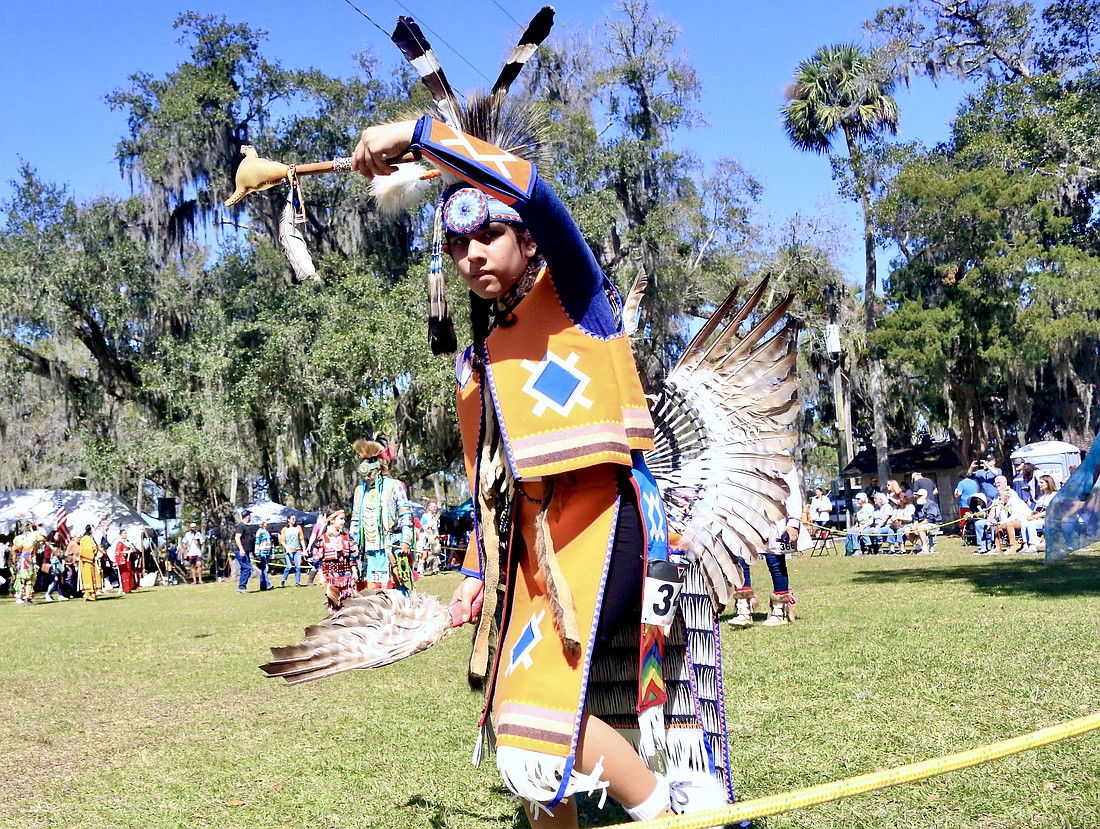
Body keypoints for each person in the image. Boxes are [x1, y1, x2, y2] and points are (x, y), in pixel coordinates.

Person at [352, 116, 727, 826]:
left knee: (543, 711)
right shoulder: (476, 365)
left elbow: (535, 192)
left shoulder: (580, 300)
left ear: (527, 240)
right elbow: (486, 488)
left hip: (606, 521)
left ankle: (669, 814)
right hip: (530, 550)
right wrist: (472, 573)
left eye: (487, 235)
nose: (470, 256)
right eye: (455, 245)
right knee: (511, 719)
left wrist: (418, 134)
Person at [729, 468, 809, 626]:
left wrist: (793, 522)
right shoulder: (741, 455)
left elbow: (791, 491)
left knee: (775, 561)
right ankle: (744, 607)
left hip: (774, 517)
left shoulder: (779, 457)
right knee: (741, 558)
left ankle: (780, 609)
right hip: (746, 515)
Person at [349, 439, 414, 591]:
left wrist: (406, 541)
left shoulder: (394, 485)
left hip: (391, 544)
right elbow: (355, 521)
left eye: (370, 473)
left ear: (377, 469)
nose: (367, 478)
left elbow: (406, 515)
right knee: (371, 587)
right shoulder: (359, 491)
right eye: (364, 474)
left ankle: (399, 611)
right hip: (369, 549)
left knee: (394, 584)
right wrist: (353, 545)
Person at [317, 509, 356, 616]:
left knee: (349, 605)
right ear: (332, 520)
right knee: (333, 606)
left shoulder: (346, 538)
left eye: (344, 519)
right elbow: (319, 559)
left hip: (346, 577)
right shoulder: (323, 539)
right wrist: (321, 576)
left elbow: (352, 557)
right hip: (331, 578)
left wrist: (354, 571)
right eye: (341, 519)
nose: (343, 522)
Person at [1021, 474, 1058, 553]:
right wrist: (1033, 514)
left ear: (1048, 483)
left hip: (1051, 520)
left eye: (1041, 483)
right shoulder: (1041, 497)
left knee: (1031, 525)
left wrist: (1036, 516)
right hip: (1040, 519)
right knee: (1024, 523)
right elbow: (1036, 509)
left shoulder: (1054, 495)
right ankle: (1025, 545)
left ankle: (1032, 546)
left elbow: (1050, 511)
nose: (1039, 485)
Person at [992, 486, 1033, 554]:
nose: (999, 498)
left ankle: (1012, 546)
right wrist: (1001, 508)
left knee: (1009, 525)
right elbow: (1003, 519)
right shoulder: (1005, 503)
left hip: (1026, 519)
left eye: (1000, 496)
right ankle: (997, 547)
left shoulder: (1015, 501)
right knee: (998, 526)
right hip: (1016, 520)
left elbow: (1014, 516)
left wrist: (1002, 522)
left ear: (1006, 496)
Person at [233, 510, 257, 595]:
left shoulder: (246, 527)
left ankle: (242, 587)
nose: (250, 517)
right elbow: (237, 538)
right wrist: (241, 549)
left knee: (245, 568)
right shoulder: (241, 526)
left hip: (246, 551)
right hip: (240, 551)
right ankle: (241, 587)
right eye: (250, 515)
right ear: (247, 516)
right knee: (247, 567)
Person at [279, 514, 306, 587]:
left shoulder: (298, 527)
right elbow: (282, 540)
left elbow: (301, 538)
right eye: (293, 519)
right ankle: (283, 580)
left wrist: (304, 548)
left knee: (298, 567)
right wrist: (286, 547)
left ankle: (297, 582)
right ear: (288, 520)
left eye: (295, 519)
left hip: (297, 550)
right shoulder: (284, 529)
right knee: (289, 566)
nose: (294, 520)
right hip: (289, 551)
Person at [418, 500, 442, 575]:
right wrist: (428, 526)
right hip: (426, 537)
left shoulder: (434, 517)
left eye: (436, 507)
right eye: (434, 507)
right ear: (429, 508)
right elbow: (420, 527)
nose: (435, 508)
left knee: (435, 553)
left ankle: (435, 569)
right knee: (424, 554)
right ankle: (420, 571)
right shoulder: (425, 517)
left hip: (434, 537)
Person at [78, 525, 102, 600]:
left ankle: (92, 593)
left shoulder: (89, 538)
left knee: (93, 576)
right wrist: (93, 554)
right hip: (87, 560)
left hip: (91, 560)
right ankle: (88, 593)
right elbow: (88, 549)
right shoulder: (86, 538)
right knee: (88, 576)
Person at [113, 529, 137, 594]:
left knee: (129, 575)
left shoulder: (127, 543)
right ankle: (125, 589)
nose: (126, 535)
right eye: (124, 533)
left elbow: (133, 549)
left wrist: (132, 550)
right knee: (124, 575)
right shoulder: (119, 543)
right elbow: (118, 552)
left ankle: (129, 588)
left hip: (128, 561)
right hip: (123, 561)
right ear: (121, 535)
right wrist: (126, 552)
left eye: (126, 533)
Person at [254, 519, 274, 592]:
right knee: (266, 568)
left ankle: (263, 586)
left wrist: (272, 552)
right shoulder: (259, 531)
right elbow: (257, 542)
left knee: (264, 569)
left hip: (268, 552)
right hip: (262, 552)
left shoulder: (267, 532)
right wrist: (257, 553)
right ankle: (268, 585)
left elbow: (271, 543)